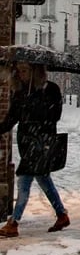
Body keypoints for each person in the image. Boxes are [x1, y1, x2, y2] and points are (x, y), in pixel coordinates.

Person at [0, 63, 69, 237]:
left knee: (24, 181)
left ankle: (13, 222)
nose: (22, 74)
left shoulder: (50, 89)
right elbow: (12, 117)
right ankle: (61, 214)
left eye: (25, 70)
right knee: (43, 178)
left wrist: (37, 113)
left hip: (40, 143)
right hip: (26, 142)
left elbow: (55, 115)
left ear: (35, 71)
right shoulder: (21, 91)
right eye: (20, 71)